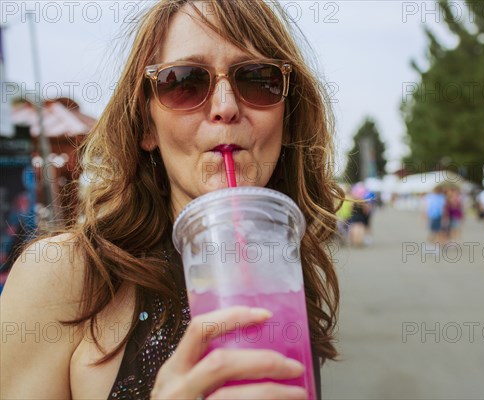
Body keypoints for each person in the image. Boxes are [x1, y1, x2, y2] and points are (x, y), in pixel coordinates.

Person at [0, 1, 342, 399]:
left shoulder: (283, 270)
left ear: (287, 117)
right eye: (184, 82)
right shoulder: (63, 276)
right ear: (147, 126)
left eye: (257, 78)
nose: (226, 107)